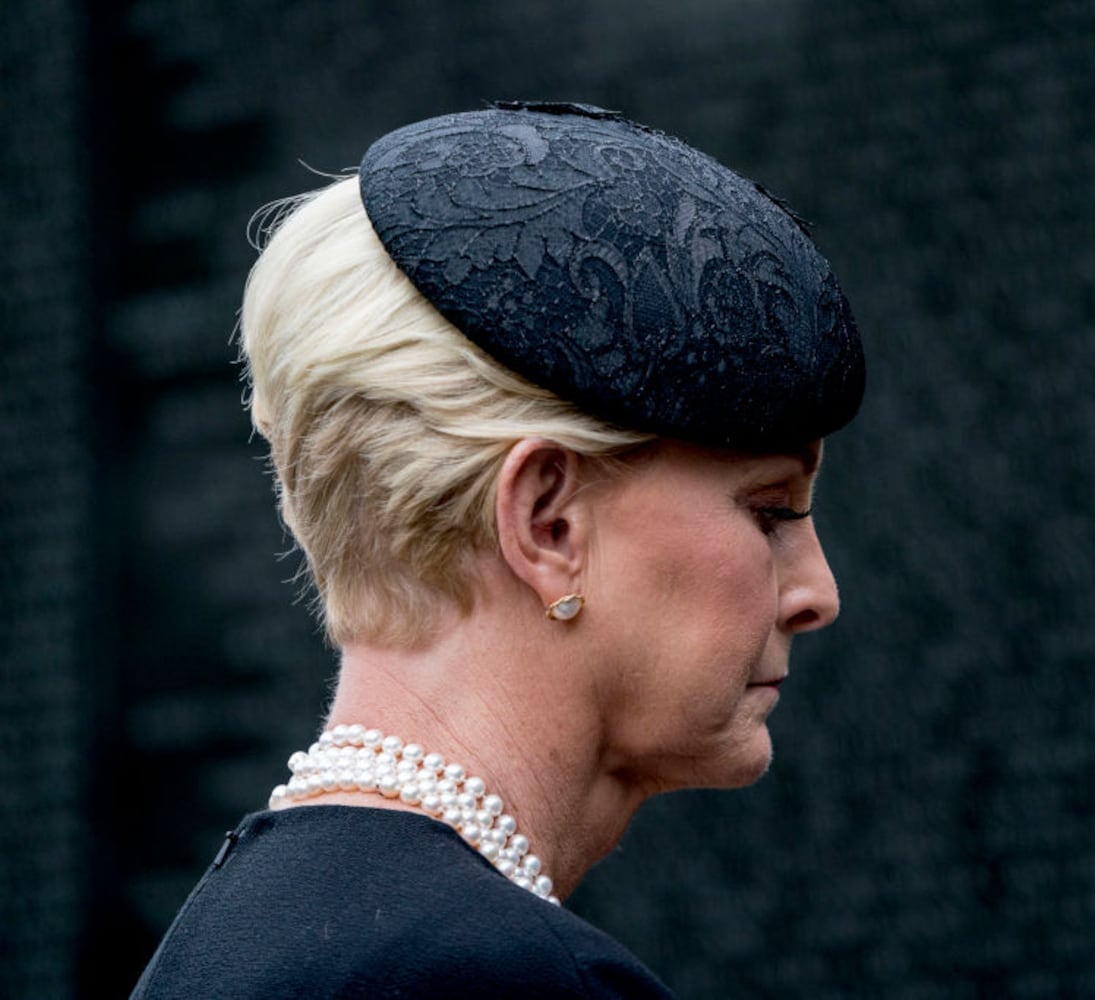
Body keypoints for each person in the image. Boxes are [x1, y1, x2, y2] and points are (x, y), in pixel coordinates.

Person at [130, 102, 864, 998]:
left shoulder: (233, 936)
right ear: (547, 522)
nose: (816, 592)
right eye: (768, 510)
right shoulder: (499, 977)